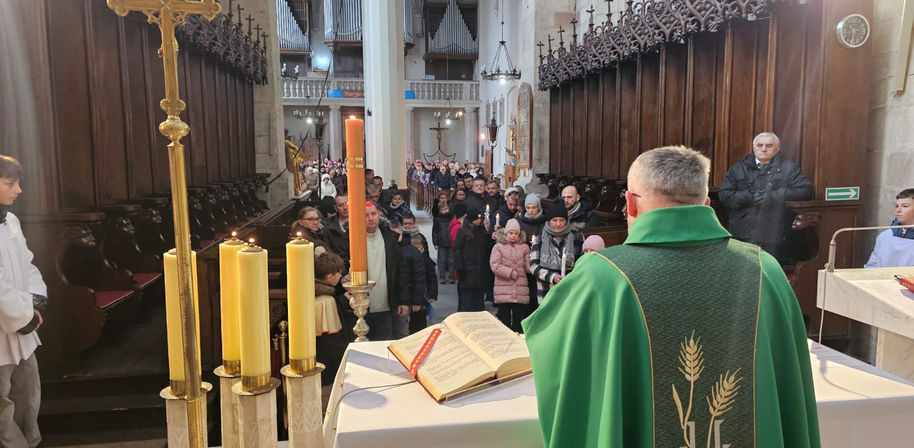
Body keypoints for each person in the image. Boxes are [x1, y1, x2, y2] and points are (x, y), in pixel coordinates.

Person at [522, 146, 820, 448]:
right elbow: (789, 389)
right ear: (706, 203)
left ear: (630, 203)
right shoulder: (765, 271)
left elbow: (555, 355)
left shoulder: (601, 276)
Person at [0, 155, 45, 447]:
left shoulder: (11, 221)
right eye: (10, 183)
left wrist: (37, 302)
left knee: (29, 392)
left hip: (23, 326)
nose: (18, 190)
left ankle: (32, 442)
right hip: (5, 327)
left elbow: (27, 264)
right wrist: (23, 316)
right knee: (2, 403)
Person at [719, 132, 813, 264]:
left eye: (769, 146)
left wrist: (773, 197)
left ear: (777, 148)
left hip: (775, 235)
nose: (763, 149)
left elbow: (805, 191)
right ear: (753, 148)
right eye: (760, 145)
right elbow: (724, 196)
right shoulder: (737, 169)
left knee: (770, 270)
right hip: (742, 234)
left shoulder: (789, 168)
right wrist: (750, 197)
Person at [364, 202, 409, 340]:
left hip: (385, 304)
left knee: (382, 343)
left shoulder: (390, 237)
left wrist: (403, 300)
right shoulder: (349, 239)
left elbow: (401, 270)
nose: (370, 218)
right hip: (360, 306)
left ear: (379, 215)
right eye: (365, 215)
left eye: (373, 214)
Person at [529, 201, 584, 304]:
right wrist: (552, 276)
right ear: (549, 221)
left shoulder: (577, 237)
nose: (558, 224)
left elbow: (582, 262)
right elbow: (533, 266)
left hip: (570, 287)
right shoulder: (540, 239)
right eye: (554, 220)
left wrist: (570, 276)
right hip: (546, 289)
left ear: (566, 221)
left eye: (561, 220)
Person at [490, 219, 530, 332]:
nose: (513, 236)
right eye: (511, 233)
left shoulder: (524, 247)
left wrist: (533, 264)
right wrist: (510, 273)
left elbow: (528, 266)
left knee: (518, 317)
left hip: (520, 287)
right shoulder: (498, 247)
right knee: (505, 317)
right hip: (504, 287)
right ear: (506, 233)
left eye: (516, 233)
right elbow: (495, 265)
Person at [313, 250, 346, 385]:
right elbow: (333, 340)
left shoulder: (313, 293)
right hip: (328, 366)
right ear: (330, 277)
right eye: (339, 273)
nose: (341, 275)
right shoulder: (326, 301)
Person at [389, 221, 425, 339]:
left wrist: (417, 300)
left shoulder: (411, 251)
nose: (395, 238)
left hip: (404, 297)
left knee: (401, 330)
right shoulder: (386, 248)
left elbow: (419, 277)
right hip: (388, 297)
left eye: (398, 234)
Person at [865, 188, 914, 268]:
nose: (898, 210)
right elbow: (872, 266)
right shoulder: (885, 236)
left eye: (905, 206)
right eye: (897, 206)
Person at [454, 207, 488, 312]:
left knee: (479, 299)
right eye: (477, 219)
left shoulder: (481, 231)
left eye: (480, 219)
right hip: (467, 270)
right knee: (467, 299)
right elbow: (458, 250)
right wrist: (460, 268)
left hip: (480, 269)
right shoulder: (463, 231)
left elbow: (485, 248)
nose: (479, 221)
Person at [409, 233, 437, 333]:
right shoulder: (409, 259)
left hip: (423, 294)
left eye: (418, 246)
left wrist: (432, 295)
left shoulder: (427, 261)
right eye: (413, 246)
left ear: (422, 246)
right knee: (412, 319)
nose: (416, 249)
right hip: (412, 293)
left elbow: (432, 279)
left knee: (421, 318)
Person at [433, 202, 455, 284]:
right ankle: (442, 275)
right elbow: (435, 231)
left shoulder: (452, 218)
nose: (445, 211)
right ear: (440, 211)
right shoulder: (437, 219)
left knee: (451, 260)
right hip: (441, 242)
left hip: (451, 242)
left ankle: (451, 274)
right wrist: (435, 242)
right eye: (443, 209)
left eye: (446, 209)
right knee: (441, 259)